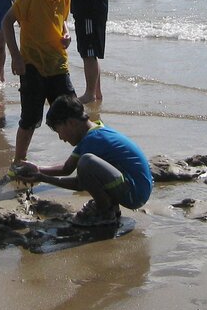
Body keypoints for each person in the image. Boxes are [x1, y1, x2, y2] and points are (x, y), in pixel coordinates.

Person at [11, 95, 152, 227]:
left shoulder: (93, 140)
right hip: (137, 187)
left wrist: (43, 178)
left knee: (86, 162)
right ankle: (110, 207)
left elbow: (80, 184)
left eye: (59, 131)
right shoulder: (95, 131)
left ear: (71, 123)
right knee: (88, 163)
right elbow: (66, 168)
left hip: (135, 193)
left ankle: (105, 213)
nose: (61, 137)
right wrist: (38, 169)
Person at [1, 0, 80, 166]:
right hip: (32, 65)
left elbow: (62, 19)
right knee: (30, 118)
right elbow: (6, 22)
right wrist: (15, 57)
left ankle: (85, 158)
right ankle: (19, 161)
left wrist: (67, 34)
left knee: (73, 112)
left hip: (58, 63)